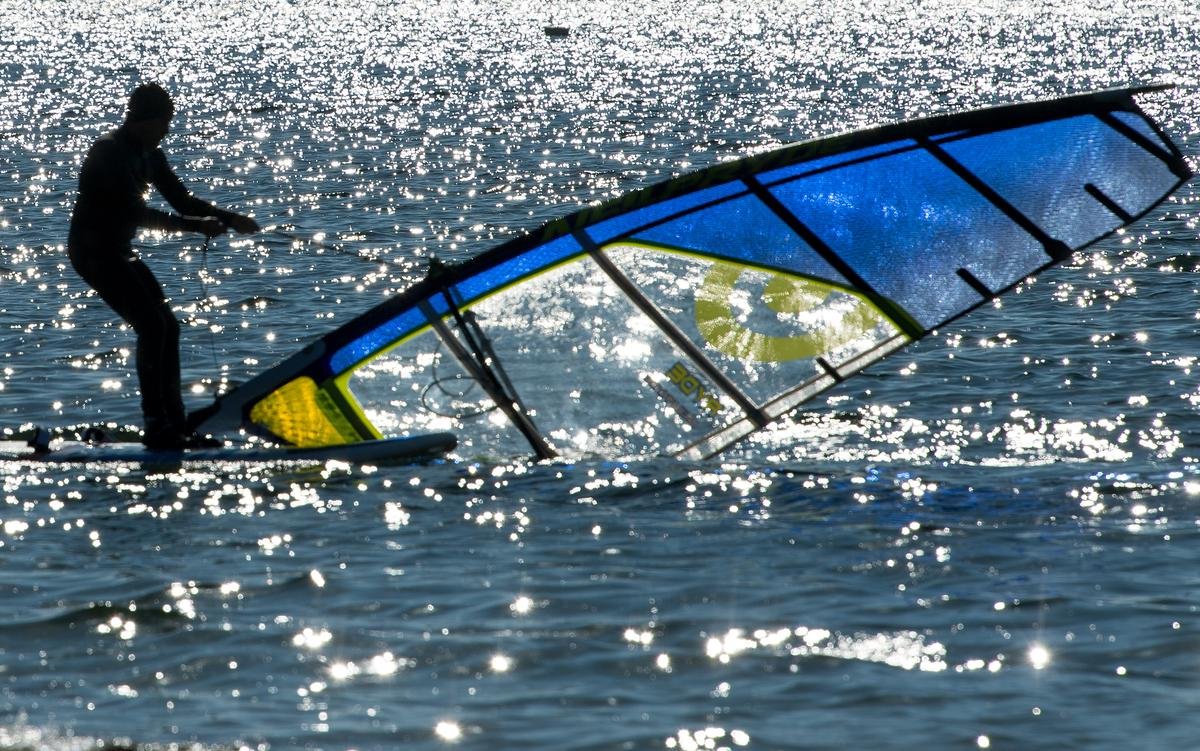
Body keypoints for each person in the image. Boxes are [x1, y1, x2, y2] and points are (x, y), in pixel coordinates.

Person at [68, 83, 260, 449]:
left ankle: (177, 423)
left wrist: (230, 218)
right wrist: (194, 227)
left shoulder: (151, 156)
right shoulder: (108, 153)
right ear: (143, 120)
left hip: (119, 250)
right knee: (152, 326)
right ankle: (157, 425)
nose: (167, 130)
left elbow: (180, 198)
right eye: (164, 122)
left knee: (168, 326)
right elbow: (135, 213)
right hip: (92, 252)